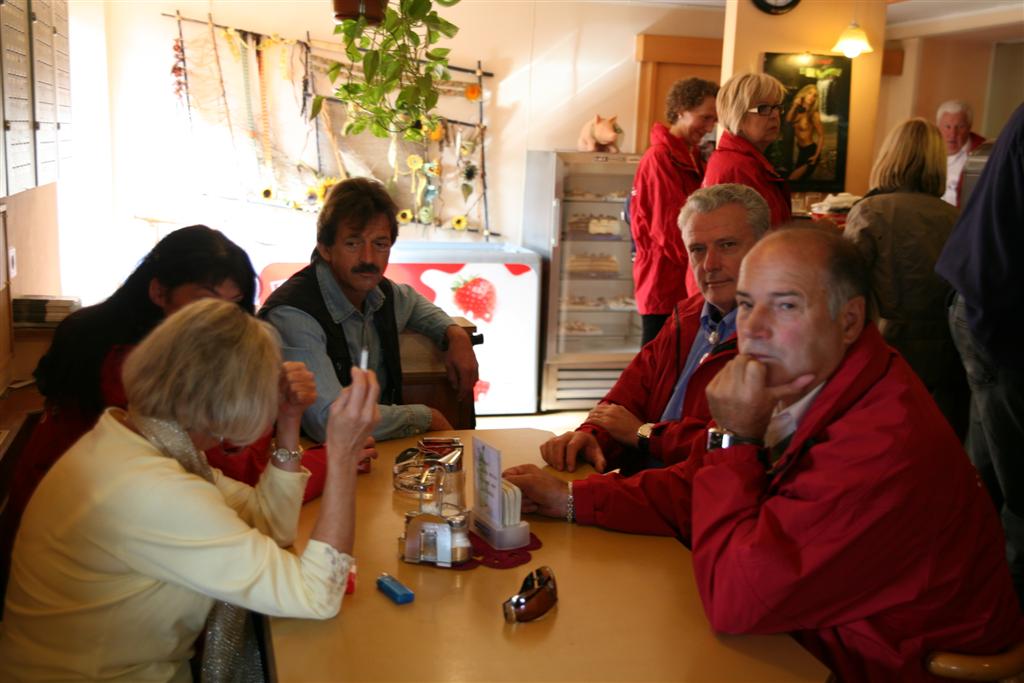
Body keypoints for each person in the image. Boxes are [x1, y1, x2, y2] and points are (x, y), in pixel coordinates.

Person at [507, 228, 1022, 681]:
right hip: (819, 635)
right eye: (749, 303)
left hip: (883, 664)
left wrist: (735, 436)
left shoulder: (882, 435)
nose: (752, 329)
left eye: (787, 305)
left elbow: (737, 600)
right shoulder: (817, 380)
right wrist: (571, 499)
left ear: (849, 320)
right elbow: (692, 489)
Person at [0, 299, 381, 681]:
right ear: (231, 406)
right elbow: (316, 594)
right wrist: (343, 458)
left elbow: (271, 525)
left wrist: (288, 422)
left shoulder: (138, 442)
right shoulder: (150, 488)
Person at [1, 226, 335, 605]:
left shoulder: (153, 408)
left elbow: (250, 501)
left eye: (234, 306)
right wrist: (334, 459)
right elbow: (240, 471)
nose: (220, 322)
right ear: (159, 292)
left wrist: (290, 423)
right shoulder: (137, 375)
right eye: (205, 302)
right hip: (72, 595)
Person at [542, 184, 768, 476]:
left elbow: (722, 455)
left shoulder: (774, 339)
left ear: (764, 249)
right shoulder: (685, 317)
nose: (709, 264)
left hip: (687, 504)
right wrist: (590, 437)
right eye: (697, 250)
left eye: (727, 245)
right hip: (640, 492)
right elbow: (626, 398)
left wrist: (643, 434)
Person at [261, 176, 479, 443]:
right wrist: (425, 417)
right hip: (307, 464)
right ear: (325, 249)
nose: (368, 258)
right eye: (353, 243)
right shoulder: (294, 314)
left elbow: (414, 304)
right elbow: (329, 421)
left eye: (380, 244)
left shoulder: (380, 294)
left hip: (373, 452)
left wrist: (454, 334)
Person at [937, 102, 1024, 608]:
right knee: (1022, 492)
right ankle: (1004, 624)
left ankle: (968, 598)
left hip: (978, 300)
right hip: (997, 311)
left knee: (986, 476)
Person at [843, 118, 966, 435]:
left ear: (889, 157)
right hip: (946, 358)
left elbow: (845, 284)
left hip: (886, 350)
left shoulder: (871, 212)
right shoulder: (955, 218)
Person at [630, 77, 719, 344]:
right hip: (664, 283)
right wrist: (706, 269)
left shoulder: (689, 155)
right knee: (657, 373)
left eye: (713, 120)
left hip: (681, 281)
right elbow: (668, 230)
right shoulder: (660, 157)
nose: (709, 127)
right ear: (681, 110)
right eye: (704, 118)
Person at [703, 72, 791, 227]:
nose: (775, 115)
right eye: (763, 108)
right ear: (737, 114)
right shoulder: (736, 167)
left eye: (777, 107)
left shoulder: (746, 161)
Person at [936, 99, 985, 207]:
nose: (953, 134)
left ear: (969, 127)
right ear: (938, 127)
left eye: (960, 127)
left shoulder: (983, 154)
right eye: (947, 126)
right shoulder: (926, 150)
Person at [785, 84, 823, 181]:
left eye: (815, 95)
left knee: (792, 179)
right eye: (809, 93)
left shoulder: (814, 114)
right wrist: (794, 105)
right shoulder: (797, 111)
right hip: (801, 151)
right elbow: (788, 120)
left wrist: (816, 156)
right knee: (800, 182)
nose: (812, 97)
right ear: (804, 94)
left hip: (810, 152)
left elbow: (821, 136)